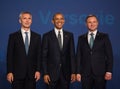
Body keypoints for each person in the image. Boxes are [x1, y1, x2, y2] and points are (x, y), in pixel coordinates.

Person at [76, 14, 113, 89]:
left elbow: (109, 55)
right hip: (85, 73)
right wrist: (78, 72)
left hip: (100, 73)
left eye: (94, 22)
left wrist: (109, 71)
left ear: (97, 23)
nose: (92, 24)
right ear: (86, 24)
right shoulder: (81, 38)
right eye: (89, 22)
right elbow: (78, 56)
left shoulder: (104, 37)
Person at [6, 11, 41, 89]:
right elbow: (10, 55)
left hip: (32, 74)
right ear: (20, 20)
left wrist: (38, 70)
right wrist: (9, 72)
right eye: (24, 18)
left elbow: (39, 55)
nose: (27, 21)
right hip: (16, 74)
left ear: (31, 21)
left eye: (29, 18)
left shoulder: (37, 37)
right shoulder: (13, 36)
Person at [42, 12, 76, 89]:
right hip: (51, 74)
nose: (59, 21)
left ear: (64, 21)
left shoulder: (69, 35)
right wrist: (45, 73)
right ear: (52, 21)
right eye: (56, 19)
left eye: (61, 19)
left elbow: (72, 55)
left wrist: (73, 72)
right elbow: (44, 56)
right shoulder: (46, 36)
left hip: (66, 73)